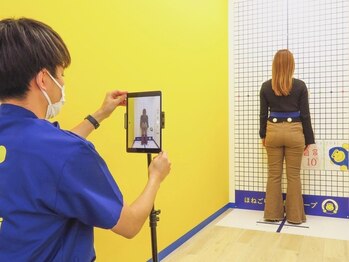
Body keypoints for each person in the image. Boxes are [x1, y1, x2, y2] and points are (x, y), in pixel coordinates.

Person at [0, 18, 171, 261]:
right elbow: (130, 224)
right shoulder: (66, 152)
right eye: (61, 74)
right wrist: (156, 176)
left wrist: (99, 114)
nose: (63, 82)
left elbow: (48, 158)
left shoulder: (35, 143)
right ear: (43, 80)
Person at [259, 49, 315, 224]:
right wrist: (309, 139)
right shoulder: (300, 86)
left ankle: (272, 214)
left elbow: (262, 115)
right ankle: (295, 216)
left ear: (274, 65)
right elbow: (305, 115)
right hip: (294, 132)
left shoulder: (266, 86)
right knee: (293, 175)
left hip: (273, 132)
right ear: (292, 65)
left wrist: (263, 135)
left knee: (274, 175)